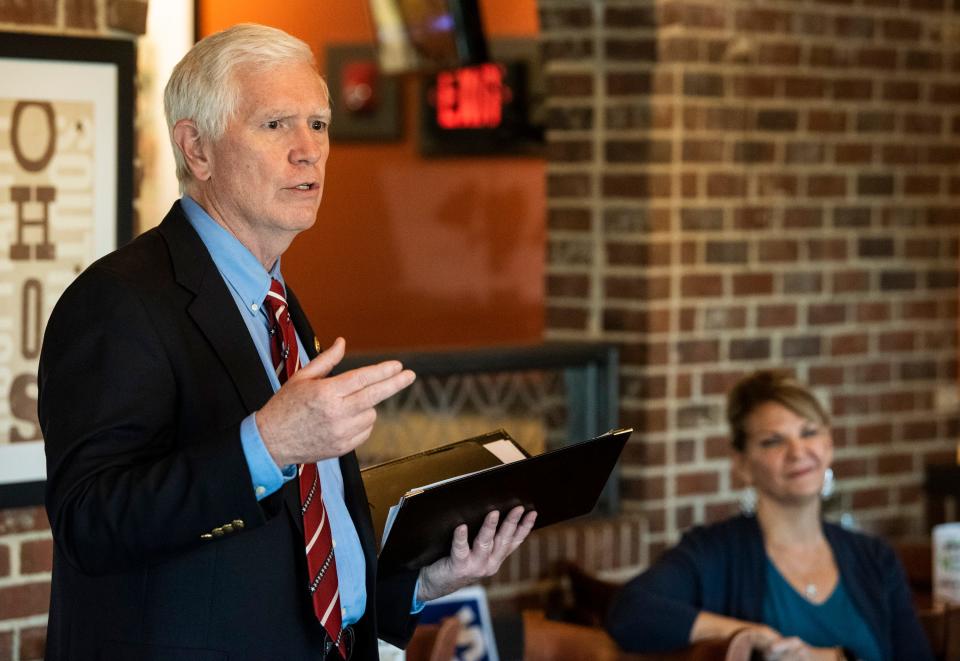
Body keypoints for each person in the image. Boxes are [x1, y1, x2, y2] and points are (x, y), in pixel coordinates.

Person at [38, 23, 535, 661]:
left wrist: (422, 583)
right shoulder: (118, 300)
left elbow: (299, 546)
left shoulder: (276, 301)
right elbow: (90, 524)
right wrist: (266, 444)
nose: (309, 152)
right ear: (197, 149)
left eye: (320, 125)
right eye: (276, 125)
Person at [606, 370, 932, 661]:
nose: (797, 452)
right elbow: (629, 613)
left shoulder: (874, 557)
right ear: (743, 465)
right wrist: (751, 634)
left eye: (808, 433)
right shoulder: (714, 552)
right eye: (773, 441)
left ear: (829, 444)